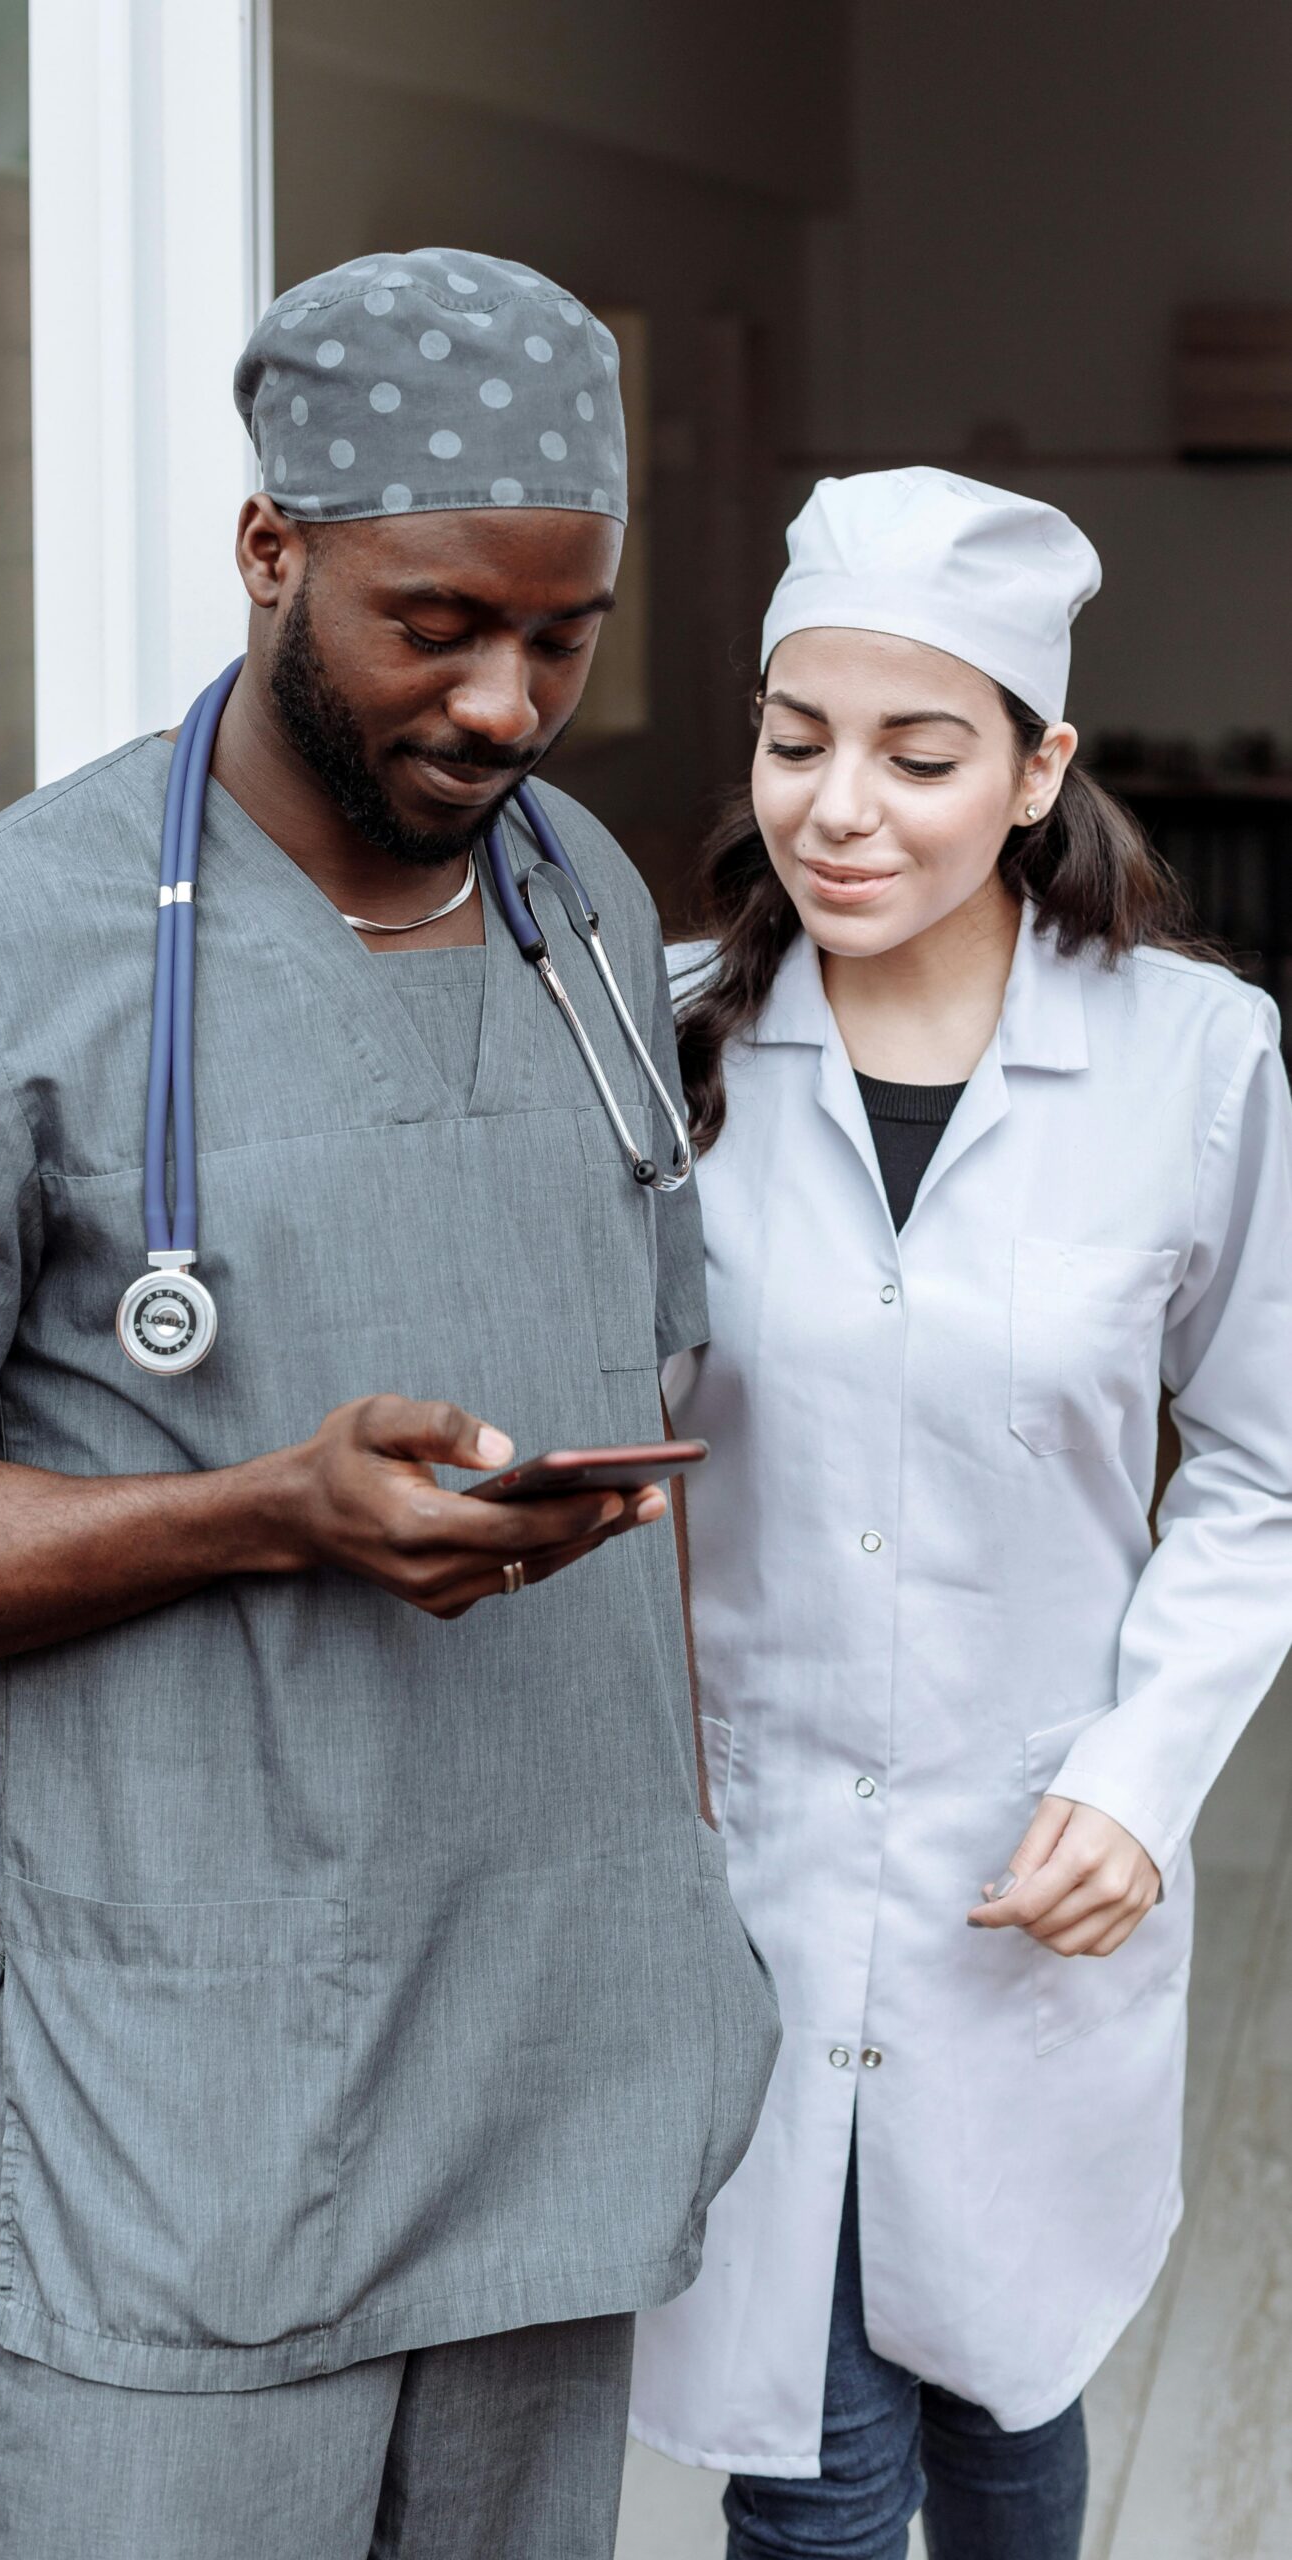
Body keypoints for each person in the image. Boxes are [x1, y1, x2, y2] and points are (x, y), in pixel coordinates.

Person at [0, 246, 780, 2560]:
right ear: (271, 548)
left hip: (553, 2090)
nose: (503, 703)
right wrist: (261, 1508)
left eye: (559, 634)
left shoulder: (575, 900)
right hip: (198, 2133)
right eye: (434, 620)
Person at [631, 467, 1292, 2559]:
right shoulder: (657, 1048)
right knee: (812, 2472)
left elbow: (1264, 1463)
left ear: (1033, 769)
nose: (838, 807)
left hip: (1028, 1871)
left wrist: (1137, 1775)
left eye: (918, 754)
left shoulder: (1194, 1058)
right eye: (793, 737)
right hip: (737, 1867)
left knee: (1005, 2404)